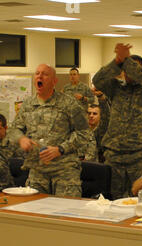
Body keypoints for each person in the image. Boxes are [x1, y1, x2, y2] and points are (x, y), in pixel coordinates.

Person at [8, 64, 90, 197]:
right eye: (37, 73)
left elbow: (84, 133)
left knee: (65, 213)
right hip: (37, 171)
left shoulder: (68, 103)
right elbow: (14, 129)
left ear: (54, 81)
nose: (40, 76)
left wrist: (60, 149)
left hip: (65, 171)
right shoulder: (28, 104)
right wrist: (21, 138)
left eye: (45, 74)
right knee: (34, 213)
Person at [92, 44, 142, 200]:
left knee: (141, 200)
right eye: (126, 68)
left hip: (140, 156)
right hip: (115, 156)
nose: (130, 71)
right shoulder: (116, 89)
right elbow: (98, 80)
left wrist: (126, 61)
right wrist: (117, 61)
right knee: (112, 200)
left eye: (135, 68)